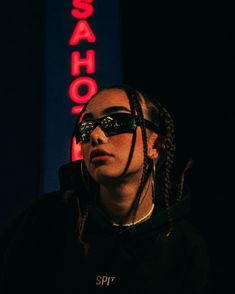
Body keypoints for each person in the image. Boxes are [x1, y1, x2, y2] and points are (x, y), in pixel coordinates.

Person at [0, 84, 211, 293]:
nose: (96, 136)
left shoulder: (185, 246)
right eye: (86, 127)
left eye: (117, 121)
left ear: (156, 146)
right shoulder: (45, 219)